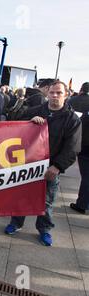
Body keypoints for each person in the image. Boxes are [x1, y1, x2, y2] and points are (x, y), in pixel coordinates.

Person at [4, 81, 82, 246]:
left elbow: (72, 147)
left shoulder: (72, 119)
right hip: (29, 165)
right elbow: (14, 126)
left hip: (51, 168)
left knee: (46, 202)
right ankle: (16, 223)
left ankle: (44, 229)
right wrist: (29, 122)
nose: (55, 96)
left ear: (66, 95)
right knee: (22, 196)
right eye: (52, 92)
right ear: (47, 93)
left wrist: (58, 166)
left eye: (59, 93)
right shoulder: (35, 111)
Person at [68, 82, 89, 214]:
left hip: (81, 143)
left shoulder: (72, 100)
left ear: (81, 89)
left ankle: (82, 204)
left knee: (86, 176)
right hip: (84, 143)